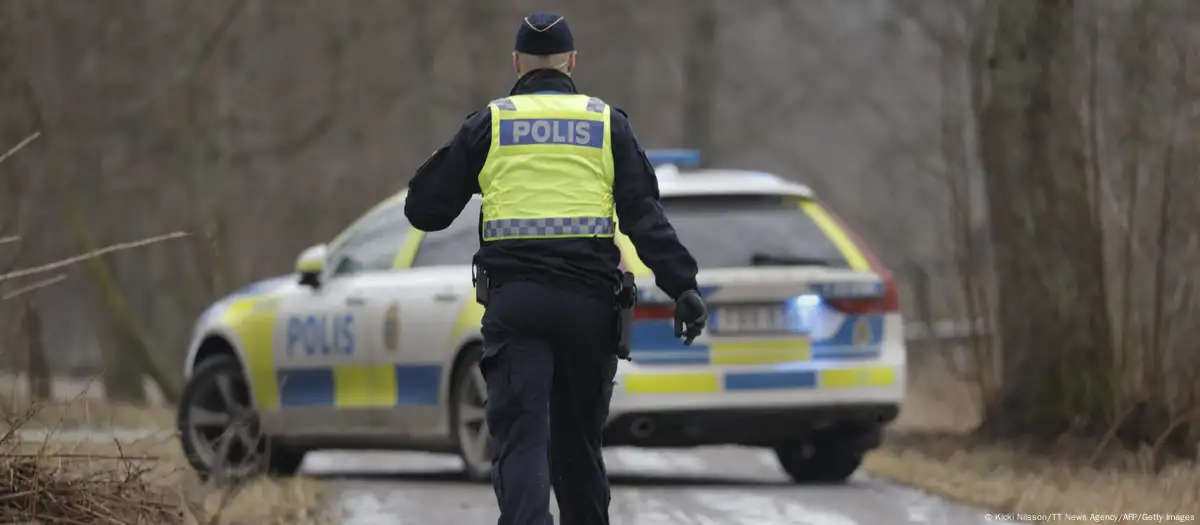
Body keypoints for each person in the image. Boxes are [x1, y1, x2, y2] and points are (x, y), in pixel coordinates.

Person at [404, 12, 708, 525]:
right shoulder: (607, 124)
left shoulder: (491, 124)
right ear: (571, 62)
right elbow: (643, 216)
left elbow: (424, 209)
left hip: (517, 305)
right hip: (589, 308)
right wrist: (683, 286)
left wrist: (464, 166)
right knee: (578, 446)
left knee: (522, 437)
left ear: (517, 63)